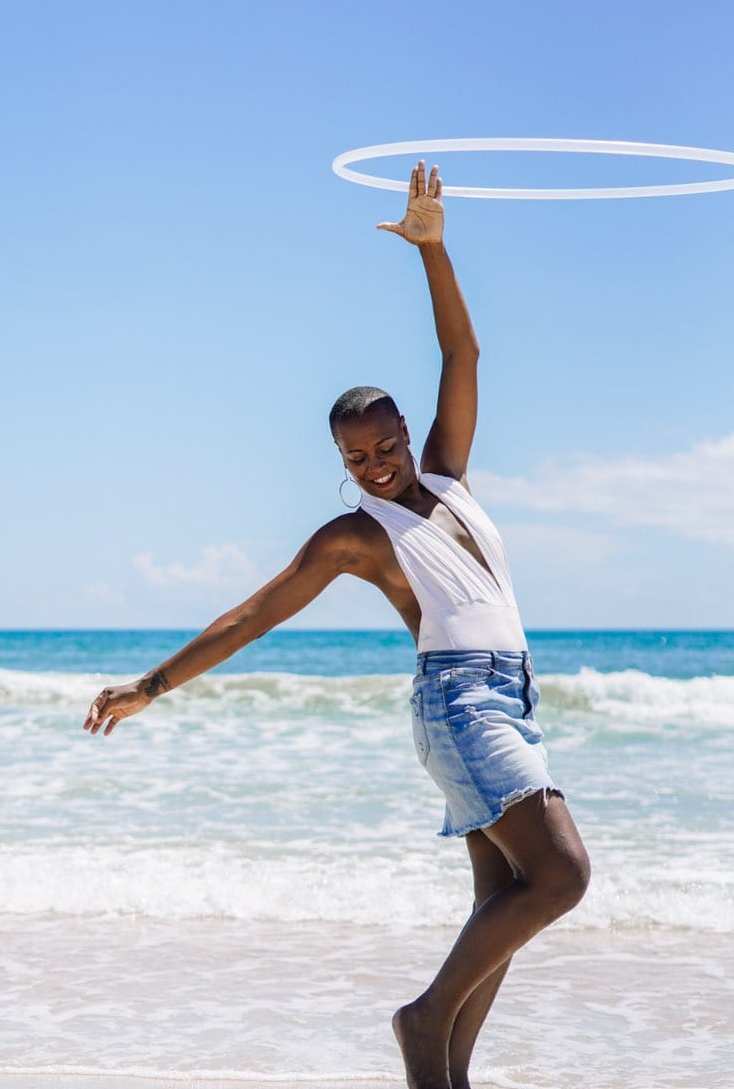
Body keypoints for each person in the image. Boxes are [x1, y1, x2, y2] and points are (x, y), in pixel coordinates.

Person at [83, 161, 591, 1089]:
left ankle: (444, 1071)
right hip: (462, 705)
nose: (378, 465)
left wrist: (433, 252)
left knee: (503, 904)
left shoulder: (447, 477)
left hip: (509, 700)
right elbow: (252, 616)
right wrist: (151, 685)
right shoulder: (356, 537)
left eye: (387, 446)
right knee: (559, 877)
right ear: (341, 462)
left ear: (408, 432)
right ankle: (422, 1020)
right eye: (357, 458)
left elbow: (463, 358)